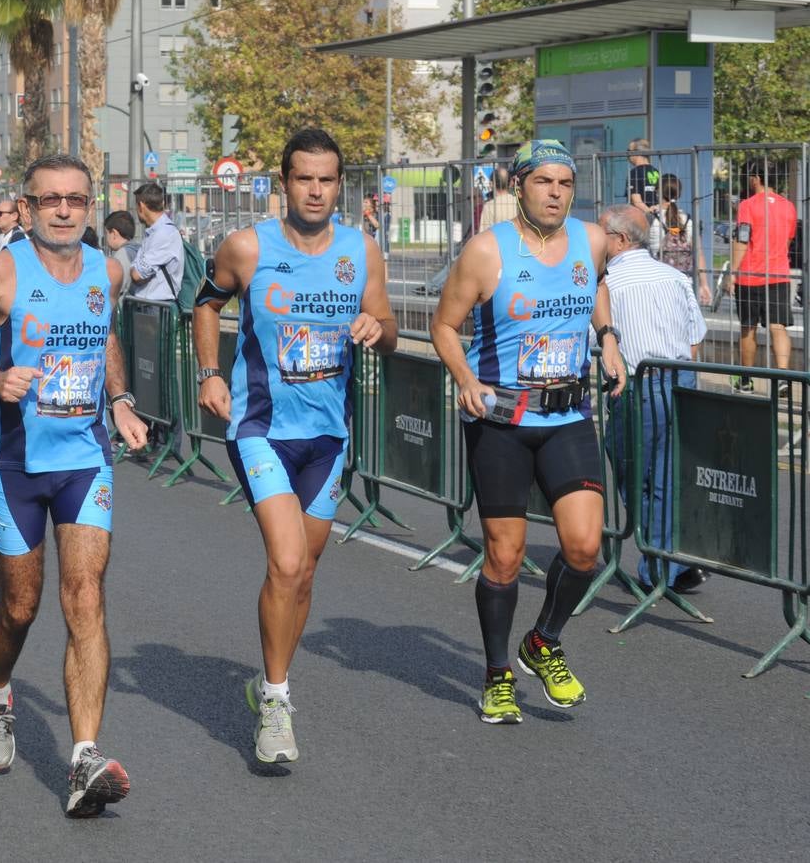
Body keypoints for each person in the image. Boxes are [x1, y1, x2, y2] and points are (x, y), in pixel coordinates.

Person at [0, 153, 148, 818]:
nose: (64, 210)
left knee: (86, 597)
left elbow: (103, 338)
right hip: (13, 463)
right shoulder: (2, 271)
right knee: (20, 607)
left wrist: (121, 399)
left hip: (86, 459)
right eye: (50, 199)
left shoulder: (107, 271)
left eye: (76, 199)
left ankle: (84, 757)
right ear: (27, 207)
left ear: (90, 206)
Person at [193, 128, 397, 764]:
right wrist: (210, 372)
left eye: (326, 179)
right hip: (261, 430)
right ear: (284, 183)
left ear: (340, 185)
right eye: (304, 178)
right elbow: (206, 303)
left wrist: (377, 327)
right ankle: (278, 702)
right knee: (285, 562)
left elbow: (389, 328)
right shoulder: (247, 247)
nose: (315, 190)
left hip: (329, 437)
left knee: (303, 571)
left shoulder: (361, 250)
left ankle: (267, 679)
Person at [429, 139, 625, 726]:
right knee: (505, 555)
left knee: (585, 548)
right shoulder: (487, 251)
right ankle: (497, 675)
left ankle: (543, 641)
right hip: (503, 420)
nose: (556, 193)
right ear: (519, 187)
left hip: (568, 415)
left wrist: (608, 337)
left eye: (565, 183)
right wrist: (465, 377)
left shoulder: (591, 240)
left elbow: (597, 284)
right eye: (543, 182)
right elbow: (443, 325)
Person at [598, 204, 708, 593]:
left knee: (634, 473)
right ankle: (669, 561)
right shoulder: (674, 276)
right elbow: (694, 339)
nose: (594, 241)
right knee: (664, 476)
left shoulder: (608, 284)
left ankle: (661, 567)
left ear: (619, 240)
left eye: (600, 234)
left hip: (638, 386)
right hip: (679, 380)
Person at [729, 159, 797, 394]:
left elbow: (742, 240)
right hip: (778, 274)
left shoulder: (747, 205)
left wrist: (732, 272)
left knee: (748, 328)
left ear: (756, 178)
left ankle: (746, 381)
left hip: (750, 275)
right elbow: (788, 240)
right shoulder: (788, 206)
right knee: (778, 327)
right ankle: (783, 378)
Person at [646, 174, 712, 307]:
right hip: (685, 282)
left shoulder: (651, 219)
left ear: (657, 192)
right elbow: (698, 254)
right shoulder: (688, 220)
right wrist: (704, 284)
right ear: (679, 194)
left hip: (657, 283)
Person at [125, 182, 184, 303]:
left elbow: (136, 274)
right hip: (149, 304)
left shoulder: (164, 233)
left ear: (141, 206)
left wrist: (136, 271)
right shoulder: (154, 232)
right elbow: (136, 270)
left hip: (158, 306)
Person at [478, 166, 517, 234]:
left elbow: (483, 233)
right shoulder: (519, 202)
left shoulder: (489, 206)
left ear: (491, 184)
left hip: (497, 240)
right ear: (511, 183)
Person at [627, 138, 660, 215]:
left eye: (629, 151)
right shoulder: (656, 171)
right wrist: (655, 213)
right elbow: (661, 197)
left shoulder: (634, 173)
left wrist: (649, 213)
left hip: (641, 216)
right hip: (657, 214)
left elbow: (636, 202)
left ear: (637, 152)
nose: (627, 155)